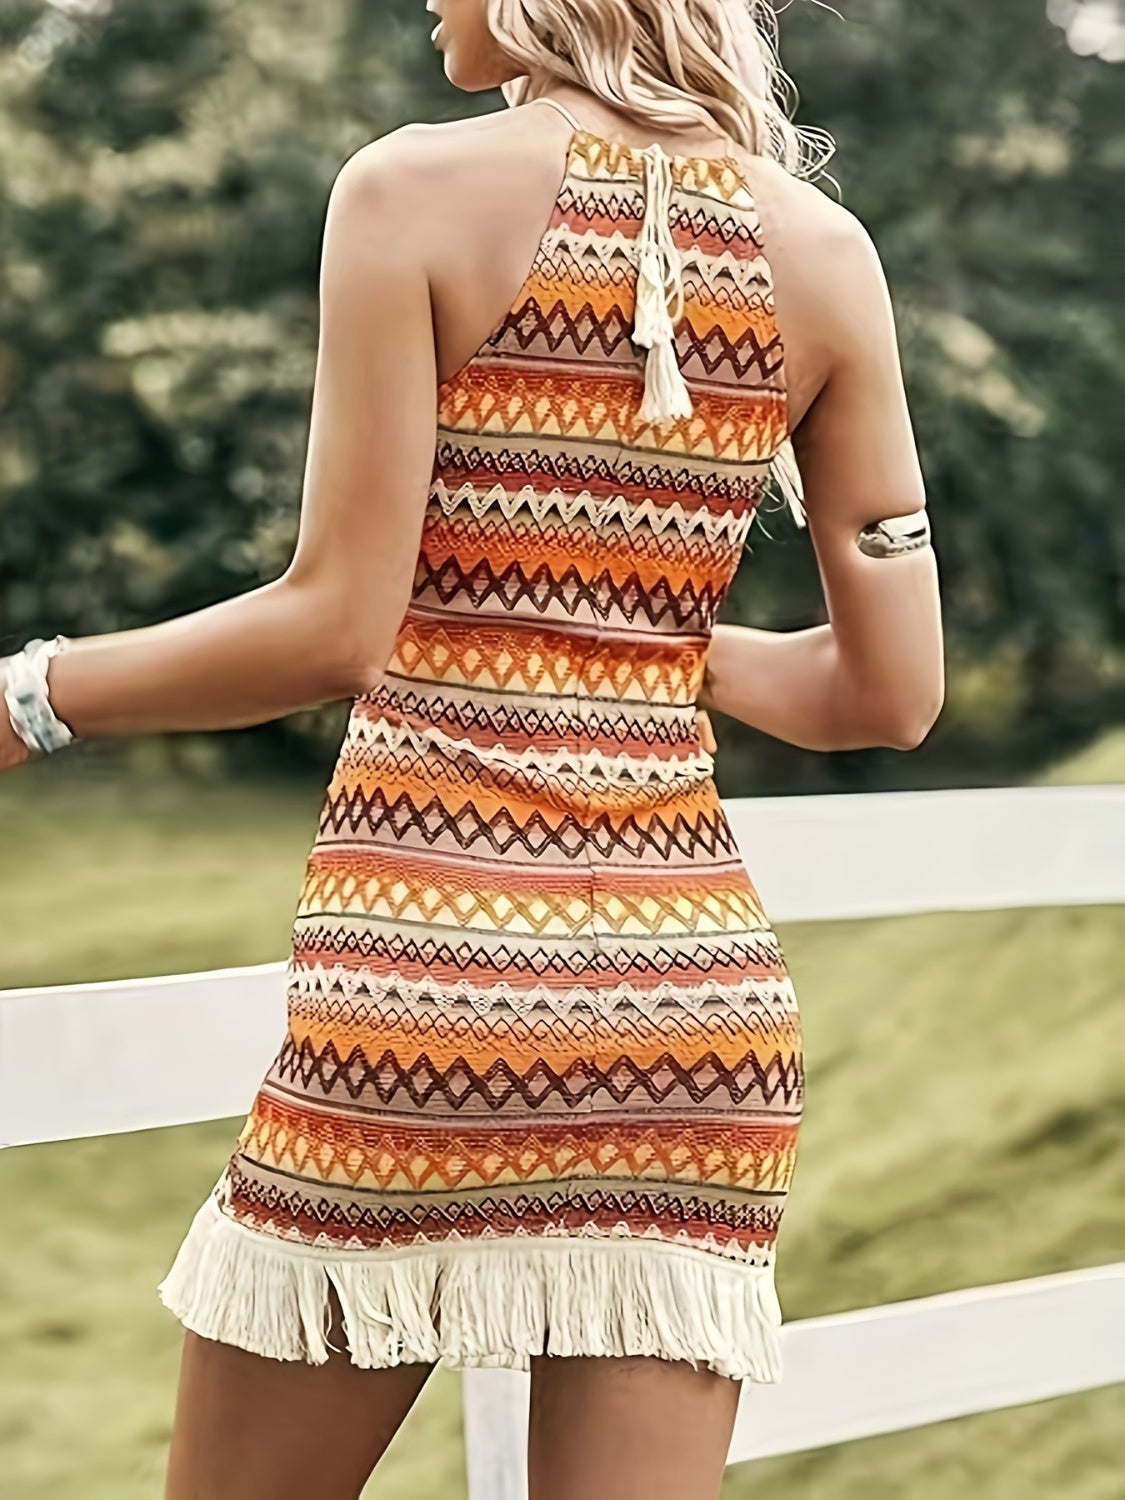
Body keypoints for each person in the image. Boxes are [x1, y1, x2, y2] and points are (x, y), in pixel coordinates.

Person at [0, 2, 943, 1496]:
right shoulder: (826, 257)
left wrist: (32, 695)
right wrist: (624, 634)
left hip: (427, 988)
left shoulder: (408, 193)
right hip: (684, 1029)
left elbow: (329, 625)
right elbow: (884, 696)